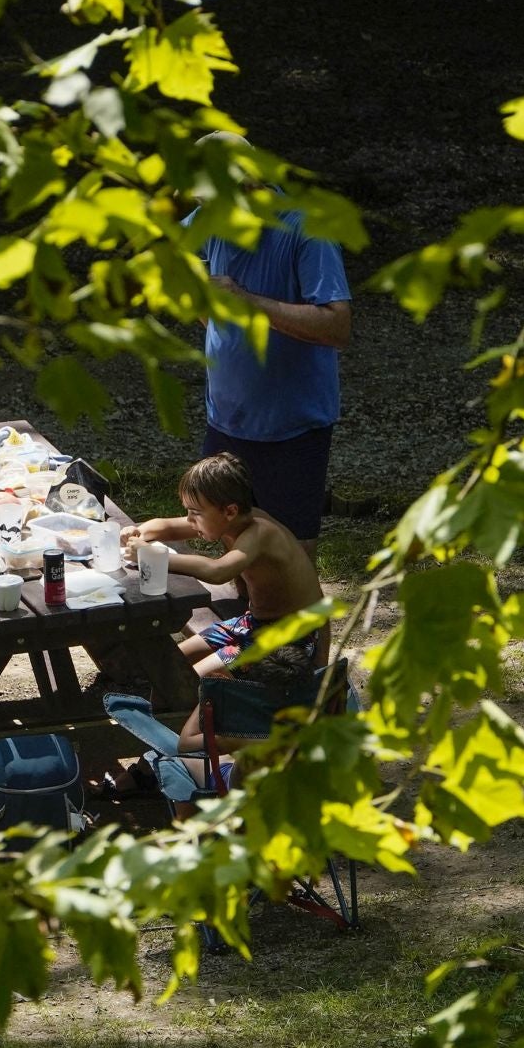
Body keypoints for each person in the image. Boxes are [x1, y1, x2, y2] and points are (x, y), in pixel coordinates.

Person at [190, 131, 352, 568]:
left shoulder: (306, 230)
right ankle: (249, 634)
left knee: (291, 560)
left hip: (291, 430)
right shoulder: (208, 221)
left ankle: (299, 640)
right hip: (225, 420)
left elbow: (337, 325)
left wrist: (245, 302)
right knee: (230, 545)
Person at [126, 453, 327, 774]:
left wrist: (153, 557)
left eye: (195, 513)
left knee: (195, 677)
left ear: (229, 511)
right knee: (169, 661)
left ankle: (191, 750)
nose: (189, 520)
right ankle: (166, 730)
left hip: (284, 638)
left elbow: (218, 571)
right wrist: (141, 531)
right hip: (252, 623)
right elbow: (170, 526)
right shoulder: (229, 519)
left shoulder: (259, 532)